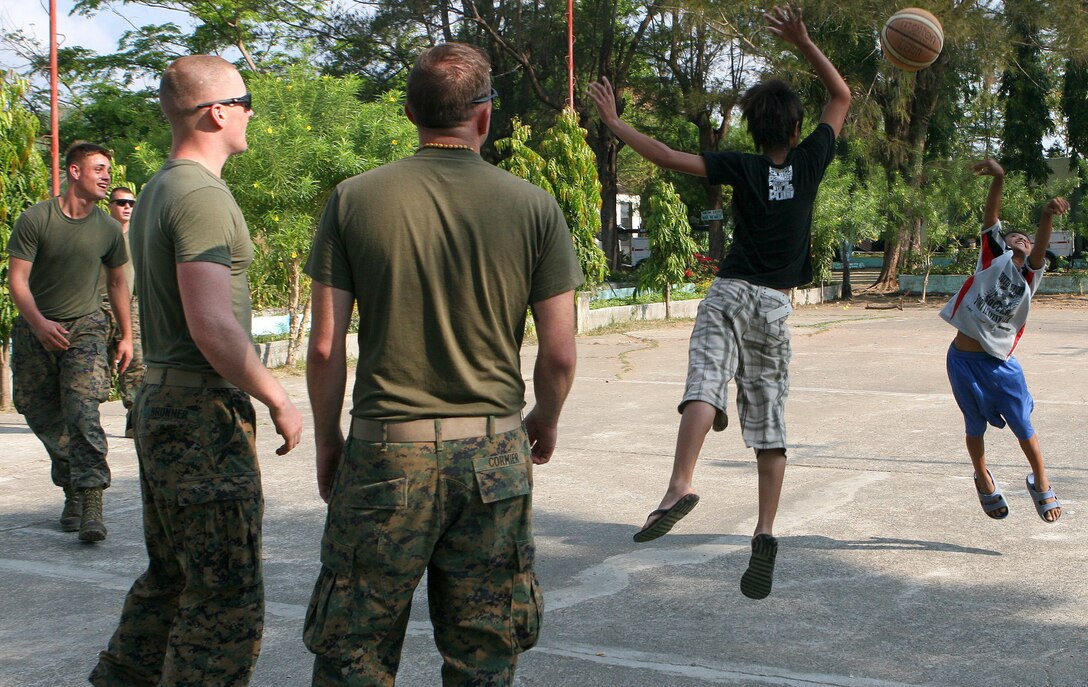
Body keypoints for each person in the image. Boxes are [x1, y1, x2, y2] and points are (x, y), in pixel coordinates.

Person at [302, 42, 583, 685]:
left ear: (409, 113)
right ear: (484, 117)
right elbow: (560, 352)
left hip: (383, 456)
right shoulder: (534, 206)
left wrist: (327, 438)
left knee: (354, 654)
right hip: (492, 456)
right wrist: (544, 415)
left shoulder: (352, 199)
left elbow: (324, 347)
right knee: (484, 655)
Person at [588, 5, 850, 600]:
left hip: (729, 293)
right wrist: (805, 42)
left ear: (754, 131)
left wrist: (615, 122)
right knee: (769, 419)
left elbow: (664, 155)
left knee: (705, 383)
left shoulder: (740, 165)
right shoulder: (810, 161)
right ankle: (763, 529)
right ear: (793, 129)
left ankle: (681, 483)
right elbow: (842, 94)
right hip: (776, 307)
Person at [90, 55, 303, 686]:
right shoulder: (201, 195)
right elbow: (212, 325)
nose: (250, 114)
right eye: (244, 102)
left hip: (163, 402)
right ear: (216, 112)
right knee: (225, 598)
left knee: (174, 574)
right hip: (201, 415)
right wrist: (277, 398)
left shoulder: (158, 188)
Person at [7, 141, 133, 543]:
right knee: (40, 412)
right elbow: (17, 281)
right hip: (35, 330)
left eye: (108, 170)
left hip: (86, 328)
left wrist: (127, 335)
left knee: (82, 412)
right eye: (98, 169)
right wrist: (40, 324)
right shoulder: (36, 219)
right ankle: (72, 489)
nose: (106, 176)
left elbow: (117, 283)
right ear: (74, 172)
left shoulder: (109, 229)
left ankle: (92, 502)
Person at [941, 158, 1068, 524]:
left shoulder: (1028, 278)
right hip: (962, 361)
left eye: (1027, 240)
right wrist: (999, 178)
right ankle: (982, 476)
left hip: (999, 366)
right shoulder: (990, 260)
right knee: (973, 426)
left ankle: (1040, 479)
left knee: (1023, 426)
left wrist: (1046, 216)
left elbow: (1040, 247)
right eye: (1016, 237)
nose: (1022, 241)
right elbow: (991, 218)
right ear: (1002, 243)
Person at [103, 186, 145, 437]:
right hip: (99, 304)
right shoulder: (99, 232)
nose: (127, 207)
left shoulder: (140, 236)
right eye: (121, 203)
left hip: (131, 304)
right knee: (97, 360)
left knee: (136, 360)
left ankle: (135, 416)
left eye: (131, 203)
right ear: (110, 205)